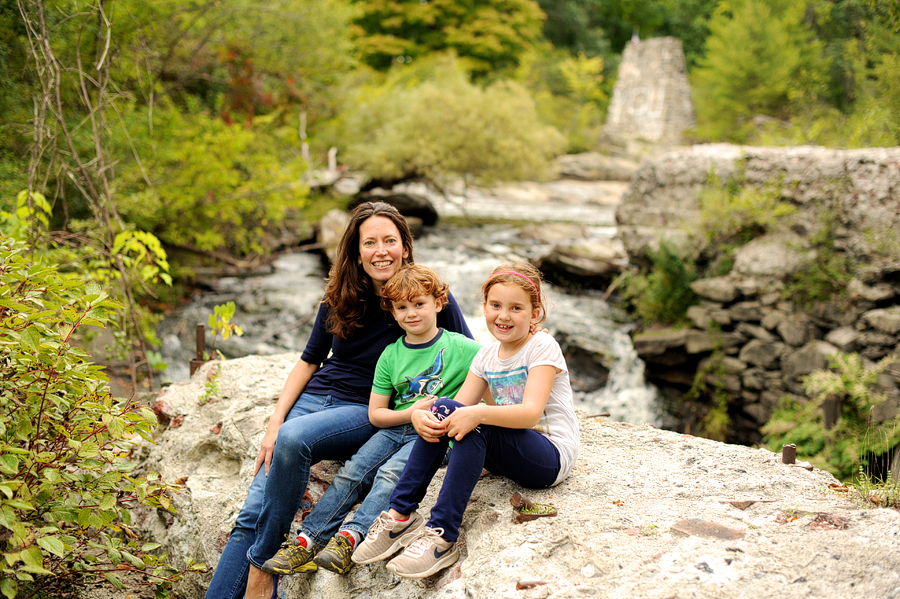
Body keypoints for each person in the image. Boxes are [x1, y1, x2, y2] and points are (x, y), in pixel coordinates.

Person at [204, 202, 473, 599]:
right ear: (355, 250)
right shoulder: (338, 297)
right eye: (370, 242)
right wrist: (274, 422)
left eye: (390, 241)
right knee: (253, 510)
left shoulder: (425, 298)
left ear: (405, 246)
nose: (381, 250)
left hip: (365, 410)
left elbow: (476, 361)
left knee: (295, 439)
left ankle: (261, 572)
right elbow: (309, 361)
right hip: (314, 400)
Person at [352, 262, 579, 579]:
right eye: (496, 305)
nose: (503, 316)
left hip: (549, 457)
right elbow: (456, 408)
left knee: (476, 423)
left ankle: (442, 536)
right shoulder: (486, 356)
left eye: (516, 308)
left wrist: (479, 413)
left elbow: (529, 413)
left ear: (535, 312)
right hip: (510, 453)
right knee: (445, 408)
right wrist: (422, 416)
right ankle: (400, 515)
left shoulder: (541, 346)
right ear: (484, 307)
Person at [259, 264, 483, 577]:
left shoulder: (464, 348)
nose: (411, 313)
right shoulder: (391, 355)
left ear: (438, 303)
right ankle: (306, 540)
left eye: (419, 304)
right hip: (396, 427)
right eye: (402, 307)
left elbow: (497, 371)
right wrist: (412, 413)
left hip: (434, 436)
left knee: (390, 474)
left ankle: (350, 538)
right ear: (391, 312)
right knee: (354, 472)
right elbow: (376, 414)